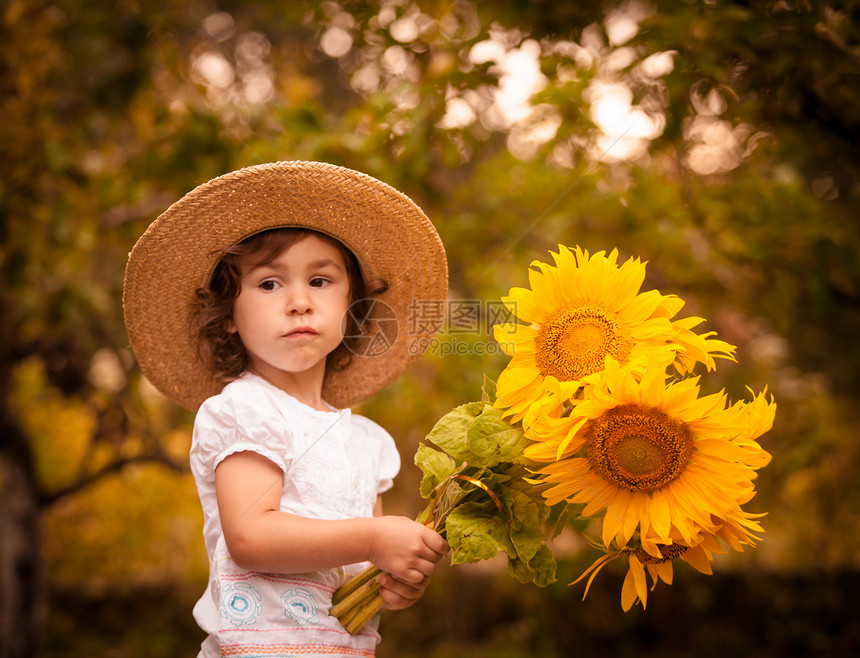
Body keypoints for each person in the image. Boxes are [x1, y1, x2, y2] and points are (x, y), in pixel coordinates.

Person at [122, 161, 450, 657]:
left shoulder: (365, 442)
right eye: (270, 284)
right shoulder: (243, 411)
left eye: (320, 281)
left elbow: (358, 567)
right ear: (229, 314)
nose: (299, 301)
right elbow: (251, 535)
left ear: (353, 305)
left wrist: (395, 579)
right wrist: (374, 537)